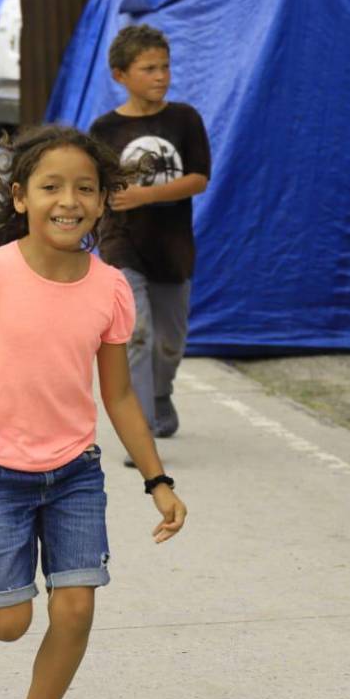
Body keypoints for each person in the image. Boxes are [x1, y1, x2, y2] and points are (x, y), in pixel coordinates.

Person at [0, 126, 187, 699]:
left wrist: (158, 481)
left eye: (86, 188)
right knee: (7, 624)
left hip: (75, 472)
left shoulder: (110, 288)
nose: (69, 200)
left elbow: (120, 396)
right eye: (51, 186)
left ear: (103, 201)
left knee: (76, 610)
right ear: (21, 196)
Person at [91, 24, 211, 441]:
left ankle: (160, 395)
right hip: (123, 245)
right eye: (149, 68)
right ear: (121, 75)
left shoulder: (184, 119)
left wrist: (144, 195)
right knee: (137, 332)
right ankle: (139, 426)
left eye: (165, 67)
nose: (161, 76)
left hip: (173, 248)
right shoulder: (104, 130)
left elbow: (199, 179)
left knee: (170, 343)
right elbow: (96, 187)